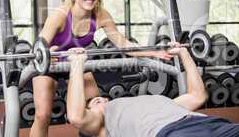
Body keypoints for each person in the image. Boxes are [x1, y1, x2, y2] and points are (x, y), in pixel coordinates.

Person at [30, 0, 174, 137]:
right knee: (42, 115)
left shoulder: (101, 15)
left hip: (77, 64)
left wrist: (154, 51)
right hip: (49, 65)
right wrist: (49, 53)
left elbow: (123, 44)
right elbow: (39, 47)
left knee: (95, 111)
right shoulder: (59, 15)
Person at [66, 44, 239, 137]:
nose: (103, 99)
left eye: (102, 98)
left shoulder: (154, 102)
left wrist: (184, 54)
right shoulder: (104, 125)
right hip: (173, 132)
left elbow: (198, 96)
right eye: (95, 102)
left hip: (211, 124)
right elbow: (76, 116)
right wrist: (76, 64)